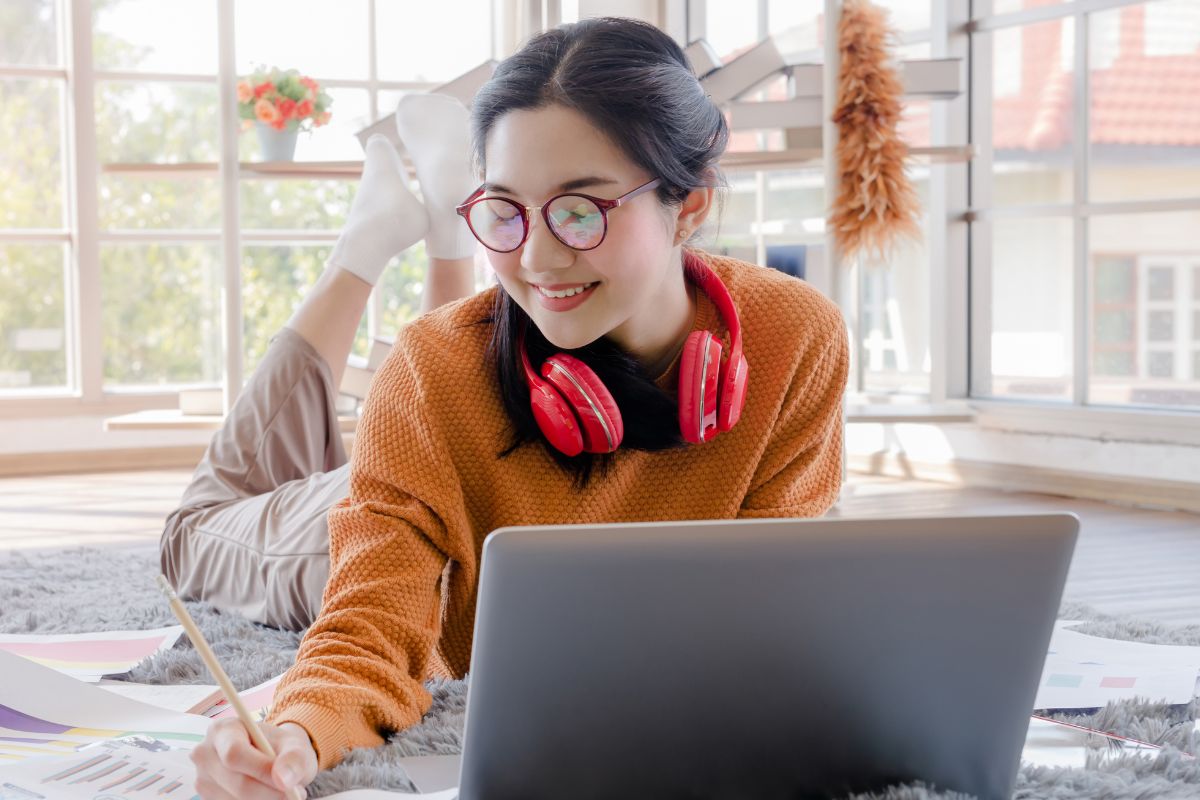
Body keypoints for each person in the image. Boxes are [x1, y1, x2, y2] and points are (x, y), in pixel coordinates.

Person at [180, 16, 849, 800]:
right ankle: (362, 252)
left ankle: (421, 236)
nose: (536, 258)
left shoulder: (794, 337)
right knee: (193, 531)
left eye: (580, 210)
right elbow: (366, 633)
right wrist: (292, 732)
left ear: (690, 205)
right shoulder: (433, 367)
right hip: (324, 545)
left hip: (415, 469)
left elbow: (775, 625)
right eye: (504, 209)